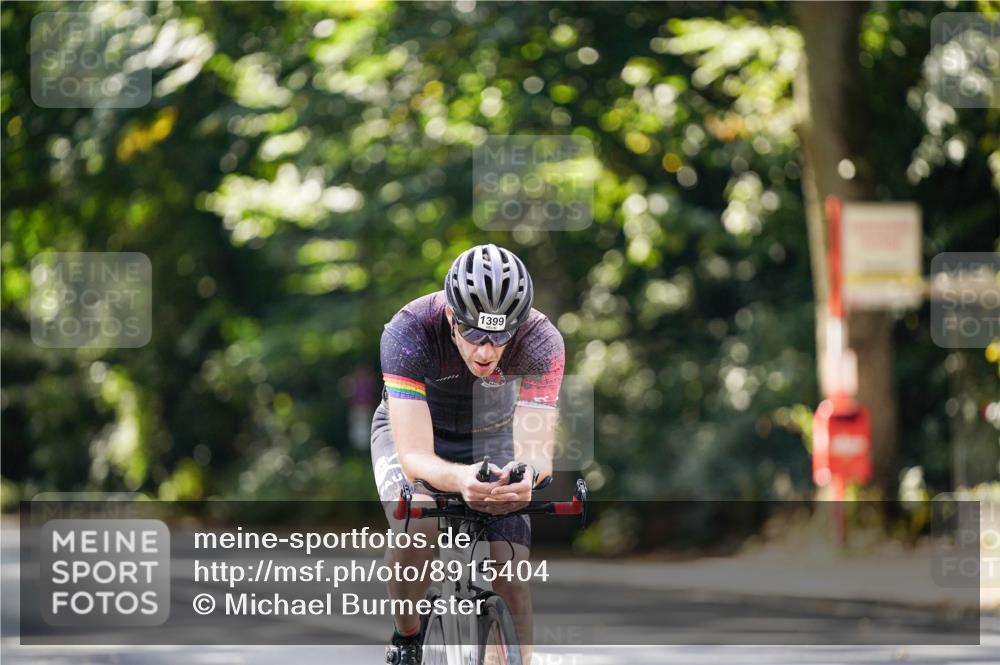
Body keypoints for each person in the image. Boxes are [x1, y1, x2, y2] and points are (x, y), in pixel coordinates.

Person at [371, 243, 565, 664]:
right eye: (474, 333)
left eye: (500, 336)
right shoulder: (410, 330)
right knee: (417, 522)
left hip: (491, 436)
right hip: (415, 430)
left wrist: (525, 478)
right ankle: (407, 636)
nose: (486, 351)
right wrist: (461, 479)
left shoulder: (541, 340)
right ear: (450, 317)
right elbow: (415, 457)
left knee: (511, 575)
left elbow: (536, 453)